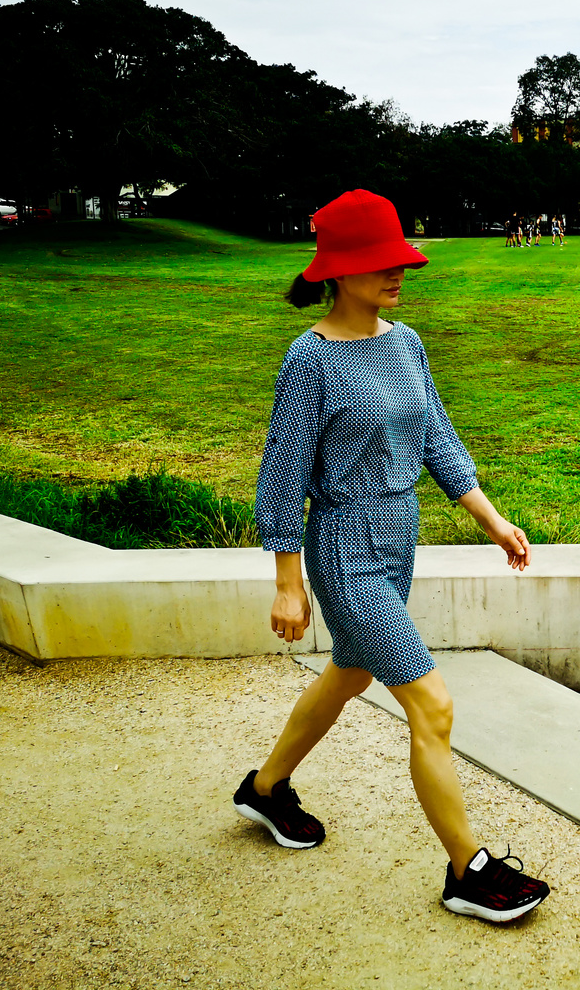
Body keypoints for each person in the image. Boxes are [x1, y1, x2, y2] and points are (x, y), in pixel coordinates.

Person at [235, 188, 551, 924]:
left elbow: (436, 436)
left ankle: (265, 788)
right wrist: (288, 582)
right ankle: (467, 872)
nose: (397, 273)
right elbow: (282, 473)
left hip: (398, 536)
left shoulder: (405, 342)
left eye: (399, 260)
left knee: (348, 673)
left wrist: (493, 521)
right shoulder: (310, 359)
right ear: (335, 272)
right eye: (379, 263)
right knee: (431, 704)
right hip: (344, 548)